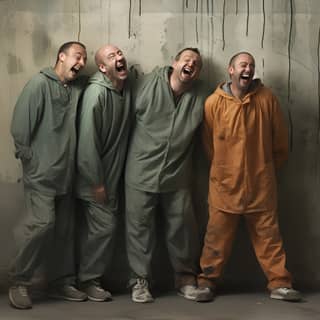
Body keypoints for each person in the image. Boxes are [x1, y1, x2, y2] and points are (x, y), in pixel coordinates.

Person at [194, 52, 301, 302]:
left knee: (269, 239)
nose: (248, 69)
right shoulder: (213, 103)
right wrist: (223, 170)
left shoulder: (267, 100)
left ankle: (280, 284)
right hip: (224, 186)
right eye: (243, 64)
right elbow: (208, 145)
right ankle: (207, 283)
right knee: (215, 239)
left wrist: (265, 170)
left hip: (261, 185)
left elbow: (280, 142)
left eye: (251, 65)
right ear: (231, 70)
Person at [9, 41, 88, 309]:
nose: (81, 62)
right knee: (43, 225)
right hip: (42, 175)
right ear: (61, 56)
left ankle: (62, 282)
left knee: (65, 231)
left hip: (67, 175)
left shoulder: (76, 88)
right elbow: (20, 128)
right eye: (77, 56)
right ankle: (19, 281)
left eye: (85, 58)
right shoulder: (39, 84)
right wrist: (33, 164)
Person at [125, 48, 207, 303]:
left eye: (196, 63)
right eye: (186, 60)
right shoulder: (147, 85)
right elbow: (124, 117)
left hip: (177, 172)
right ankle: (140, 282)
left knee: (182, 228)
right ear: (174, 63)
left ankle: (185, 279)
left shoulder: (201, 94)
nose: (191, 64)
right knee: (139, 228)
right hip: (141, 170)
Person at [75, 44, 131, 302]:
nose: (119, 58)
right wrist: (96, 182)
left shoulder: (122, 90)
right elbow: (87, 143)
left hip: (112, 176)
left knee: (102, 229)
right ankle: (88, 280)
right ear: (101, 67)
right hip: (95, 180)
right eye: (112, 56)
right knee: (104, 228)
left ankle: (89, 277)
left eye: (120, 54)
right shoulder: (96, 94)